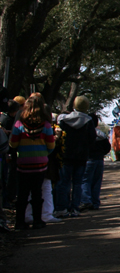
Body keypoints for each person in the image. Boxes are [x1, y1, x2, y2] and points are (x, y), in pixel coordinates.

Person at [9, 93, 55, 230]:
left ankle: (20, 222)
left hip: (23, 162)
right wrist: (44, 153)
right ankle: (37, 220)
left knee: (22, 193)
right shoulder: (46, 125)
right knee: (37, 193)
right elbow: (51, 146)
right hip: (40, 163)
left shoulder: (19, 124)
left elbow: (13, 144)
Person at [54, 95, 96, 217]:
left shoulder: (64, 120)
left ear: (74, 105)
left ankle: (62, 207)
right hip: (81, 157)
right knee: (77, 183)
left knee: (64, 182)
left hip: (66, 156)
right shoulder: (88, 122)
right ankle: (75, 208)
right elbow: (92, 139)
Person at [80, 114, 111, 211]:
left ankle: (86, 201)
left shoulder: (84, 133)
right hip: (99, 160)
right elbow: (107, 148)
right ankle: (95, 203)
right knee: (96, 182)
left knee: (85, 181)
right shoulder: (101, 134)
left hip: (88, 160)